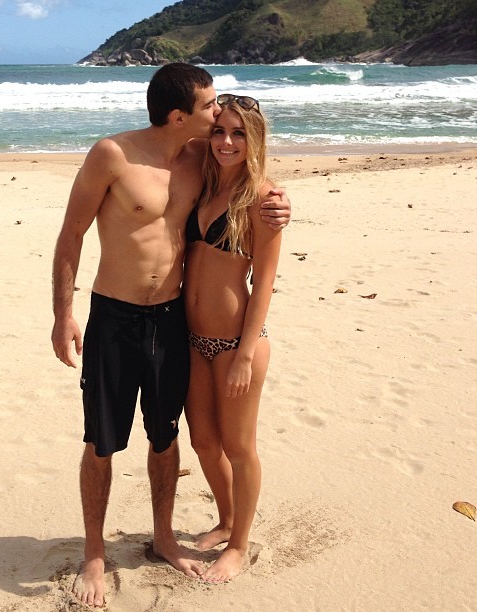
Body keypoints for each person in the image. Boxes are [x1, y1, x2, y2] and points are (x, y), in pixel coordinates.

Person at [51, 63, 290, 607]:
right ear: (180, 115)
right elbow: (72, 234)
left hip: (171, 320)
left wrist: (280, 201)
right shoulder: (113, 155)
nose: (218, 117)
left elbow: (248, 162)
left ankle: (165, 537)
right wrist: (64, 315)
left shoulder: (199, 155)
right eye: (210, 108)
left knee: (166, 436)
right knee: (102, 440)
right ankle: (94, 552)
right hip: (115, 318)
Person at [183, 93, 281, 583]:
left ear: (254, 140)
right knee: (203, 442)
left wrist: (244, 354)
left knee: (239, 448)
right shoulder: (200, 183)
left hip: (235, 344)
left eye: (239, 133)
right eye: (219, 130)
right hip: (192, 339)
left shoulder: (263, 198)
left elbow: (263, 282)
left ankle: (239, 545)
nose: (226, 141)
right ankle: (225, 519)